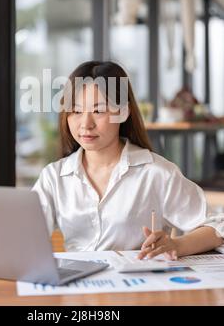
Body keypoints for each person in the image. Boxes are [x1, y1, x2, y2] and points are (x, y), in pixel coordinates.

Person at [33, 61, 224, 259]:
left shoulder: (156, 172)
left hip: (138, 286)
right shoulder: (54, 177)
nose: (85, 124)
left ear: (123, 112)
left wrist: (176, 244)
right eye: (76, 111)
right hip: (79, 286)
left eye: (98, 111)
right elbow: (24, 236)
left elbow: (218, 225)